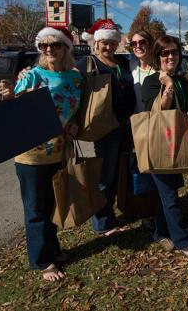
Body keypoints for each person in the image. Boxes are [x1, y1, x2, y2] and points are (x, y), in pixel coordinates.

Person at [0, 26, 82, 281]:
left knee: (52, 205)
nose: (48, 50)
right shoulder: (33, 75)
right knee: (35, 208)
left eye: (54, 45)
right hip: (31, 154)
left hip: (58, 151)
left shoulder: (75, 78)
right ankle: (42, 261)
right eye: (44, 46)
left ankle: (52, 250)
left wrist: (74, 123)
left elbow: (73, 109)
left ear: (65, 48)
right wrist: (8, 94)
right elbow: (13, 105)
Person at [141, 35, 188, 263]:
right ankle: (184, 241)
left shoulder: (184, 82)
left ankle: (160, 232)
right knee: (169, 194)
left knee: (166, 193)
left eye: (174, 52)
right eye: (165, 53)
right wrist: (167, 86)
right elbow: (157, 110)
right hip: (159, 144)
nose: (170, 57)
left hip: (177, 143)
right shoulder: (151, 82)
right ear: (157, 57)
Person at [78, 19, 136, 236]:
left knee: (120, 174)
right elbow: (67, 83)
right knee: (103, 177)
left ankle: (114, 213)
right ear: (96, 43)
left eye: (112, 43)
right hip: (102, 130)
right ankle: (102, 223)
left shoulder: (122, 63)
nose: (109, 47)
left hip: (125, 127)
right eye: (104, 43)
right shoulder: (86, 63)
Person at [129, 29, 156, 113]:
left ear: (150, 44)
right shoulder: (131, 66)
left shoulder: (159, 69)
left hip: (156, 120)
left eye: (142, 42)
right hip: (137, 121)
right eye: (133, 43)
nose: (137, 46)